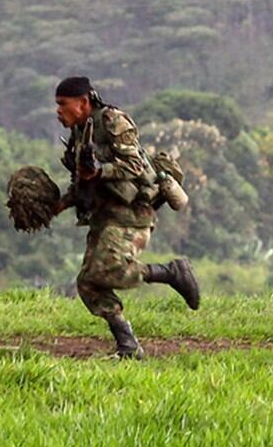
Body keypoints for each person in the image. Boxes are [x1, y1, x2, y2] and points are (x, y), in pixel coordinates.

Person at [54, 76, 200, 359]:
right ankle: (128, 345)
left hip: (131, 213)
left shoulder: (113, 121)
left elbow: (135, 165)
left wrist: (100, 171)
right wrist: (60, 204)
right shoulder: (79, 132)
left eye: (63, 104)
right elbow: (83, 179)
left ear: (82, 102)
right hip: (104, 214)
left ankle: (171, 273)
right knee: (89, 283)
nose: (58, 111)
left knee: (108, 270)